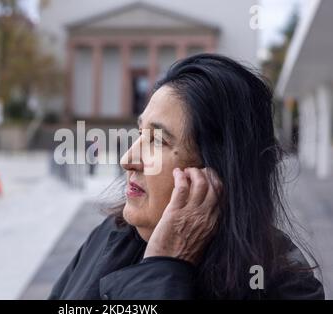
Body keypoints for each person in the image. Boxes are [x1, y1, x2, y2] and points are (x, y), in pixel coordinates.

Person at [48, 54, 324, 300]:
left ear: (217, 171)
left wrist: (163, 269)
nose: (127, 160)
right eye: (140, 132)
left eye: (157, 140)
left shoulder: (284, 288)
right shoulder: (111, 234)